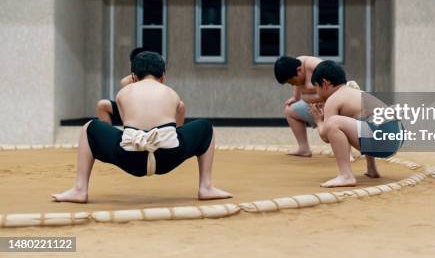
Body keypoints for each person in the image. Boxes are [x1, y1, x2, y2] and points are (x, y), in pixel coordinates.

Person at [52, 51, 231, 202]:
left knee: (89, 128)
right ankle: (206, 187)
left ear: (133, 77)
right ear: (163, 76)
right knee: (206, 127)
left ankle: (79, 189)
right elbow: (178, 128)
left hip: (130, 157)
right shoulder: (172, 94)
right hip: (167, 157)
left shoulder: (124, 92)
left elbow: (125, 124)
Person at [309, 61, 403, 188]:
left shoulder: (333, 99)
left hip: (382, 140)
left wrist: (319, 121)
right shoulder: (354, 91)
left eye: (316, 87)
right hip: (396, 135)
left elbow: (327, 135)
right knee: (364, 120)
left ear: (325, 83)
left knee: (333, 123)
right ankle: (372, 169)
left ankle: (346, 175)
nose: (317, 92)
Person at [274, 56, 324, 157]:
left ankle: (346, 153)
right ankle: (303, 148)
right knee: (289, 110)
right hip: (315, 106)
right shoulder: (296, 65)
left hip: (333, 106)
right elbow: (299, 87)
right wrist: (295, 98)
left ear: (299, 70)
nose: (293, 85)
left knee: (334, 121)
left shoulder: (317, 67)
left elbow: (336, 90)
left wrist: (307, 98)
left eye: (293, 82)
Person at [95, 47, 146, 125]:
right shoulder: (126, 81)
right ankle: (108, 134)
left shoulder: (154, 79)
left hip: (148, 112)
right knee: (102, 104)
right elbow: (126, 104)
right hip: (130, 111)